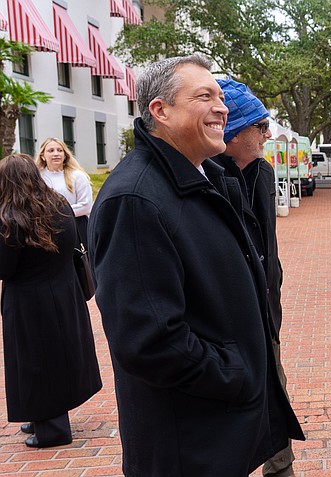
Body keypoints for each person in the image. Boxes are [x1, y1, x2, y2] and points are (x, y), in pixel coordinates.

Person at [88, 54, 304, 476]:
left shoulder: (201, 178)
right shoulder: (135, 199)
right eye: (204, 96)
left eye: (221, 97)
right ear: (160, 111)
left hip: (220, 429)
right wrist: (235, 372)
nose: (221, 107)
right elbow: (149, 341)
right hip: (188, 443)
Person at [210, 78, 296, 477]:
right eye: (259, 126)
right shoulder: (202, 181)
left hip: (265, 320)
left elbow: (268, 248)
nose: (268, 134)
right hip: (222, 337)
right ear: (232, 131)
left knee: (274, 417)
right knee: (231, 434)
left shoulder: (262, 172)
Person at [0, 154, 102, 448]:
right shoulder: (58, 204)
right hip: (64, 290)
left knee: (36, 363)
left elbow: (5, 268)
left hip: (30, 301)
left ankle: (53, 428)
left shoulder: (12, 217)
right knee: (57, 358)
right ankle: (42, 415)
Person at [34, 138, 93, 250]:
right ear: (43, 156)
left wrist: (57, 213)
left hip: (75, 228)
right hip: (46, 230)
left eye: (59, 150)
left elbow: (86, 206)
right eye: (51, 151)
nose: (56, 154)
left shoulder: (78, 176)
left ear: (65, 155)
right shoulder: (37, 178)